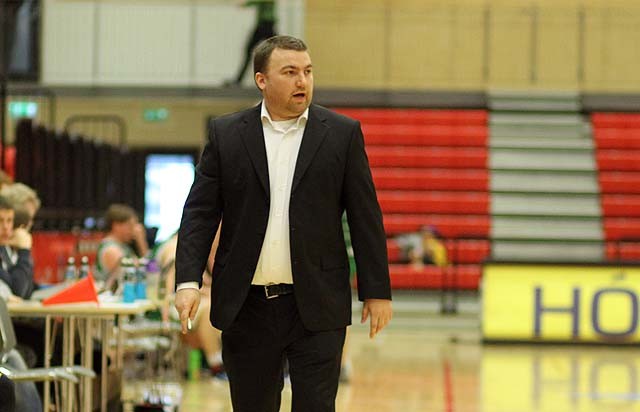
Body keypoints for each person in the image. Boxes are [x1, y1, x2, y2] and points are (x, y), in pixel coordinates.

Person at [175, 35, 392, 412]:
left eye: (307, 71)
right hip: (246, 305)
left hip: (317, 303)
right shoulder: (227, 134)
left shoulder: (341, 134)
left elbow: (365, 215)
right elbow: (199, 213)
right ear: (261, 80)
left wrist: (377, 290)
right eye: (290, 72)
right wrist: (188, 281)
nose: (302, 81)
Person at [155, 230, 225, 378]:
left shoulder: (193, 249)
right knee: (208, 310)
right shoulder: (174, 248)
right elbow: (168, 289)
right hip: (174, 304)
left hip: (187, 301)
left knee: (215, 305)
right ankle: (216, 364)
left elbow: (205, 282)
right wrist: (165, 317)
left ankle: (217, 360)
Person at [96, 204, 149, 291]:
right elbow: (142, 273)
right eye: (130, 226)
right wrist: (141, 240)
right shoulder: (111, 249)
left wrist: (141, 241)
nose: (134, 230)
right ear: (116, 226)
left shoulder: (122, 245)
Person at [229, 0, 277, 86]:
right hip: (264, 24)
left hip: (266, 25)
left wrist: (246, 3)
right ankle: (239, 79)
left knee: (276, 51)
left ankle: (239, 79)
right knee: (275, 50)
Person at [0, 196, 34, 300]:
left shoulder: (4, 249)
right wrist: (24, 251)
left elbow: (27, 290)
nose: (6, 227)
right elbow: (18, 290)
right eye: (0, 221)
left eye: (9, 221)